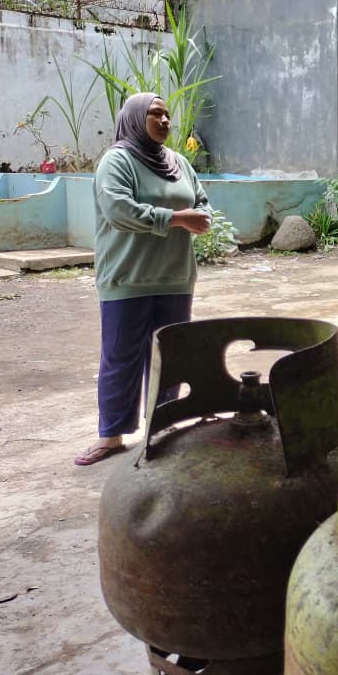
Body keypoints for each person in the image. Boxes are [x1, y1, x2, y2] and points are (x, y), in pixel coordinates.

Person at [74, 92, 212, 466]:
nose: (165, 121)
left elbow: (201, 201)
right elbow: (119, 210)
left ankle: (164, 428)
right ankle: (112, 435)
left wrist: (200, 215)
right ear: (135, 118)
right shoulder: (116, 161)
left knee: (170, 358)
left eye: (167, 115)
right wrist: (179, 219)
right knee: (121, 358)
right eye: (155, 114)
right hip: (128, 279)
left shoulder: (179, 162)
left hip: (175, 277)